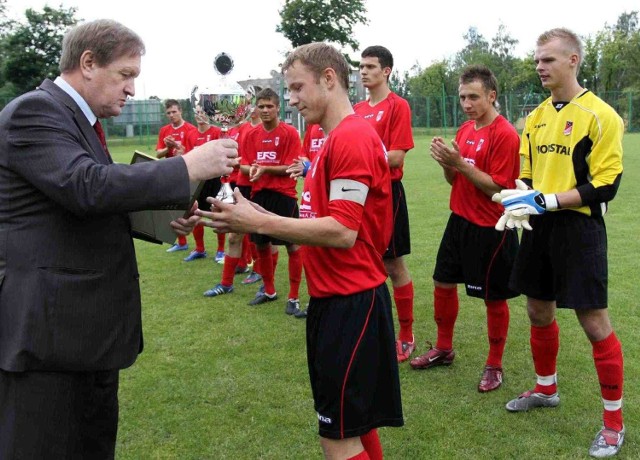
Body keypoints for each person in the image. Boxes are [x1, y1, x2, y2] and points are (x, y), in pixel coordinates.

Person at [0, 19, 238, 459]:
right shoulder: (34, 112)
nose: (131, 89)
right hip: (49, 341)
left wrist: (160, 218)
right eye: (125, 75)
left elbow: (84, 204)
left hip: (85, 335)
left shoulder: (79, 119)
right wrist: (187, 167)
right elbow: (85, 186)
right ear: (88, 63)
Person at [198, 41, 403, 460]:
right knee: (352, 424)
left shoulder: (352, 138)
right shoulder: (329, 139)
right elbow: (319, 217)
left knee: (337, 436)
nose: (289, 98)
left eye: (296, 87)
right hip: (333, 301)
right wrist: (249, 208)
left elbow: (344, 230)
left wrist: (259, 223)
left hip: (352, 303)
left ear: (329, 79)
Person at [492, 28, 625, 458]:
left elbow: (605, 185)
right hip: (539, 227)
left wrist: (546, 199)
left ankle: (613, 424)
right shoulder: (534, 118)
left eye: (547, 60)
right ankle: (546, 389)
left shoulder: (602, 115)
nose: (539, 67)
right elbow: (527, 174)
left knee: (593, 322)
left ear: (572, 61)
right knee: (536, 308)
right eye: (537, 60)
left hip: (579, 230)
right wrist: (520, 200)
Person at [408, 65, 520, 393]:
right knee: (442, 281)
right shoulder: (466, 130)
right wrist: (448, 165)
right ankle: (444, 348)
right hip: (458, 220)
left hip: (491, 227)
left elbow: (498, 189)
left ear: (491, 96)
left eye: (473, 96)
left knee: (493, 297)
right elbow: (455, 180)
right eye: (462, 97)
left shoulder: (505, 134)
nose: (466, 103)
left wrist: (458, 163)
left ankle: (494, 365)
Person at [354, 45, 416, 362]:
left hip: (387, 193)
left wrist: (361, 158)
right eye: (361, 66)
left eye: (370, 66)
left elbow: (396, 156)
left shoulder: (397, 106)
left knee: (393, 265)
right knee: (362, 261)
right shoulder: (356, 110)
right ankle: (371, 329)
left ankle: (406, 334)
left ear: (386, 71)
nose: (363, 71)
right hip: (358, 193)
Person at [238, 88, 305, 316]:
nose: (265, 110)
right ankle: (269, 290)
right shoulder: (250, 135)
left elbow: (292, 167)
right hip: (259, 195)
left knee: (292, 246)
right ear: (256, 108)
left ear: (278, 108)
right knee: (261, 245)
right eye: (261, 106)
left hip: (284, 196)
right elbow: (244, 165)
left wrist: (265, 168)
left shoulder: (289, 133)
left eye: (269, 106)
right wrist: (255, 169)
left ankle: (294, 297)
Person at [203, 105, 263, 298]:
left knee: (261, 236)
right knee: (234, 234)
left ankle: (261, 274)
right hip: (234, 184)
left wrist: (240, 164)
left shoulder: (254, 131)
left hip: (255, 186)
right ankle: (228, 281)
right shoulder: (233, 130)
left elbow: (255, 161)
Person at [181, 105, 224, 262]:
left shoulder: (216, 132)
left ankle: (220, 250)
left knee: (217, 213)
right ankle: (200, 249)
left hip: (214, 178)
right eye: (197, 112)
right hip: (197, 179)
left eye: (203, 112)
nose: (199, 115)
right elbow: (186, 154)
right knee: (195, 211)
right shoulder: (190, 133)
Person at [156, 98, 197, 253]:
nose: (171, 115)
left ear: (181, 111)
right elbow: (159, 154)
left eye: (174, 111)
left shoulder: (191, 129)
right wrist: (168, 148)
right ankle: (181, 242)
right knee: (171, 207)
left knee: (191, 209)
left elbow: (196, 154)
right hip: (169, 173)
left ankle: (200, 248)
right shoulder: (164, 131)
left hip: (187, 173)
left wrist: (183, 153)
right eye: (168, 113)